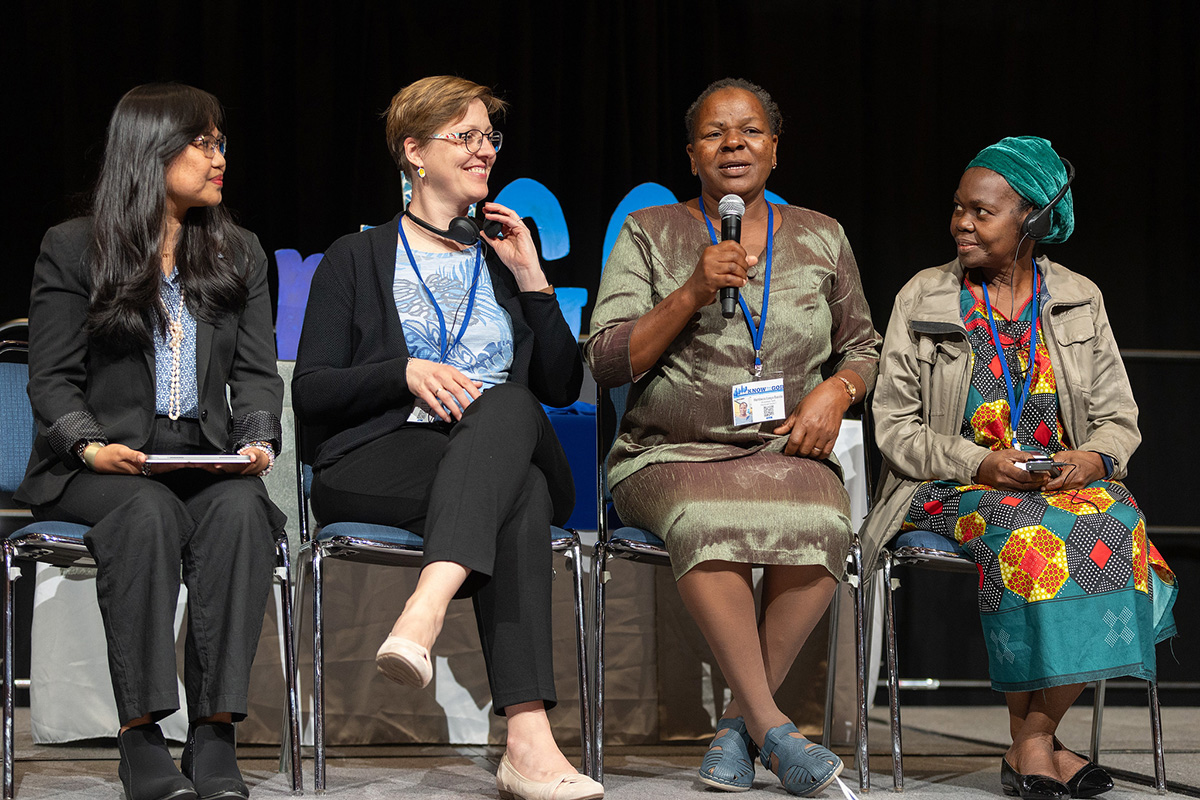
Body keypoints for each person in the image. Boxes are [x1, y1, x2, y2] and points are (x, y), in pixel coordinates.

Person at [291, 76, 601, 800]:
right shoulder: (357, 257)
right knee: (516, 490)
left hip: (498, 441)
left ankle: (426, 606)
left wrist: (532, 277)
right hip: (381, 460)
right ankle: (527, 742)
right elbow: (311, 390)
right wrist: (401, 372)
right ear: (413, 152)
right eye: (464, 136)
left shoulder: (501, 262)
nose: (483, 149)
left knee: (511, 405)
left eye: (489, 136)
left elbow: (560, 386)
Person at [586, 78, 880, 797]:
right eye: (715, 134)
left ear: (774, 149)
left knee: (825, 522)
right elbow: (606, 357)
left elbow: (864, 348)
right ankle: (775, 731)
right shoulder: (649, 231)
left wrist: (836, 391)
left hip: (784, 451)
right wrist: (690, 290)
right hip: (668, 454)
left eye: (749, 131)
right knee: (706, 520)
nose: (733, 144)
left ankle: (737, 729)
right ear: (693, 156)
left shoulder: (821, 235)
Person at [863, 136, 1177, 800]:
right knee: (1031, 531)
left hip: (1057, 482)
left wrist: (1091, 458)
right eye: (958, 209)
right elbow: (892, 427)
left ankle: (1032, 742)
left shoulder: (1077, 297)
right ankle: (1038, 744)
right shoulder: (925, 296)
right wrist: (979, 459)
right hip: (947, 485)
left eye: (981, 212)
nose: (961, 225)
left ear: (1032, 220)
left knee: (1120, 520)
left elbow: (1121, 414)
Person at [16, 83, 285, 800]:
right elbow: (52, 382)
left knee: (240, 512)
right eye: (202, 142)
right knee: (146, 513)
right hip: (100, 464)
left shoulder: (241, 253)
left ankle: (214, 730)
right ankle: (140, 735)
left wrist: (257, 443)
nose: (219, 155)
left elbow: (258, 377)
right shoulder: (74, 249)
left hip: (199, 453)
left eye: (220, 141)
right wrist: (90, 447)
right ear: (149, 149)